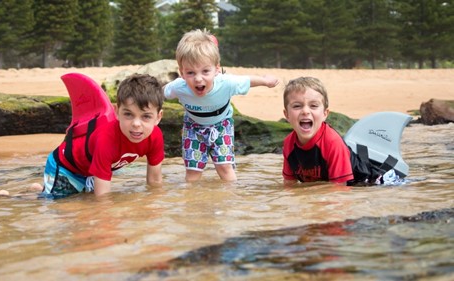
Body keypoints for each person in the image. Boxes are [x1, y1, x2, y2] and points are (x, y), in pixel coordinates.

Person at [164, 29, 279, 182]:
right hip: (193, 128)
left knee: (225, 167)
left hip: (221, 126)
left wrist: (266, 81)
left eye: (205, 71)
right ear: (182, 72)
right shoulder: (178, 87)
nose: (198, 79)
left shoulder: (226, 83)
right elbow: (158, 94)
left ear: (217, 69)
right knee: (193, 171)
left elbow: (247, 80)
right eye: (190, 73)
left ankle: (231, 201)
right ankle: (190, 202)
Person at [32, 74, 165, 198]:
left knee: (84, 200)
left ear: (158, 117)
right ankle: (23, 197)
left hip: (90, 170)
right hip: (65, 166)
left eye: (146, 116)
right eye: (128, 114)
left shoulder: (155, 137)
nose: (136, 124)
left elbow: (154, 181)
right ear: (117, 112)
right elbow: (102, 198)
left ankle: (43, 187)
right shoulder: (106, 140)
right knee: (55, 201)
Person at [282, 76, 354, 185]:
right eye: (297, 106)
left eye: (313, 106)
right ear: (286, 115)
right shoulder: (289, 143)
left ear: (325, 114)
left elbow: (340, 191)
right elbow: (289, 184)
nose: (305, 111)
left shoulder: (332, 143)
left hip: (364, 182)